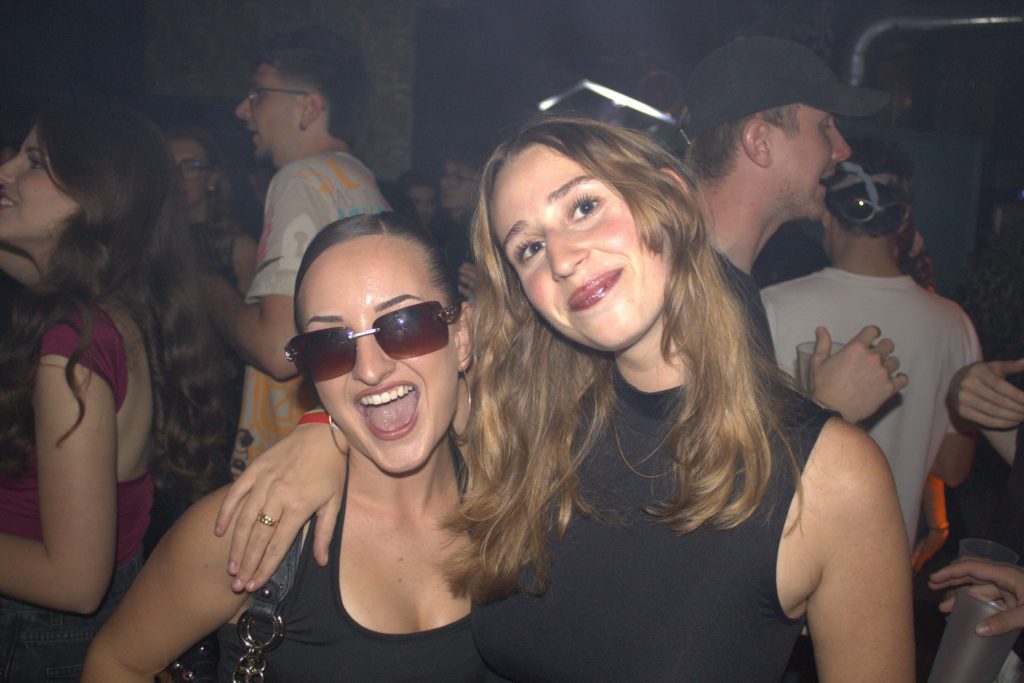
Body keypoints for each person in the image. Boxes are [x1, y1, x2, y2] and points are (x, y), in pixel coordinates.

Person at [214, 116, 914, 680]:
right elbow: (382, 389)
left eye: (583, 206)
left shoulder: (834, 479)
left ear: (670, 195)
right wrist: (322, 433)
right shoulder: (522, 427)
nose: (562, 256)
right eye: (527, 247)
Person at [82, 213, 494, 681]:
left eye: (404, 324)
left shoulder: (516, 493)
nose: (369, 369)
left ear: (462, 336)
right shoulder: (248, 528)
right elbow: (116, 662)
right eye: (330, 344)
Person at [0, 105, 228, 680]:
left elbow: (73, 581)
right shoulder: (113, 304)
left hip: (39, 635)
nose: (4, 171)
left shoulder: (71, 349)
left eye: (33, 162)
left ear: (91, 197)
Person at [761, 140, 980, 552]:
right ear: (903, 217)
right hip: (889, 566)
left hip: (790, 556)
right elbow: (952, 469)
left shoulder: (771, 306)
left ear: (827, 213)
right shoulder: (955, 324)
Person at [684, 36, 907, 424]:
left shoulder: (721, 281)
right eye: (824, 126)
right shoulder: (682, 291)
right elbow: (692, 462)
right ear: (760, 142)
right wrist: (828, 411)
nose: (842, 150)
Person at [207, 26, 390, 476]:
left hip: (295, 459)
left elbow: (278, 349)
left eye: (257, 94)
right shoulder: (360, 179)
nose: (242, 110)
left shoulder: (300, 179)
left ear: (307, 107)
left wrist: (207, 289)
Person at [166, 126, 258, 294]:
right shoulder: (153, 242)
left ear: (212, 177)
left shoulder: (238, 248)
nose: (178, 176)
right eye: (171, 167)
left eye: (190, 167)